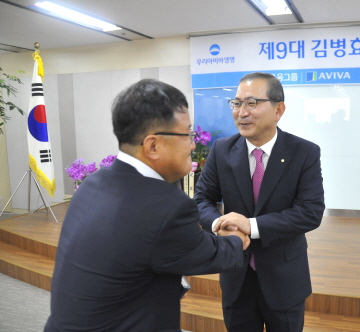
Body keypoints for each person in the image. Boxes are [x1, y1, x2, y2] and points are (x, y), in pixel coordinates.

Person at [44, 79, 250, 332]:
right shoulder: (164, 206)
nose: (193, 144)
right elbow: (210, 252)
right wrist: (239, 235)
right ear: (153, 145)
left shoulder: (93, 183)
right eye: (187, 134)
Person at [194, 72, 325, 331]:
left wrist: (250, 226)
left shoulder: (304, 152)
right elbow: (201, 199)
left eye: (252, 103)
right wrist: (220, 223)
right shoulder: (222, 150)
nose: (242, 112)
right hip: (236, 273)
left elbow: (310, 212)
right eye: (237, 103)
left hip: (284, 277)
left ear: (278, 110)